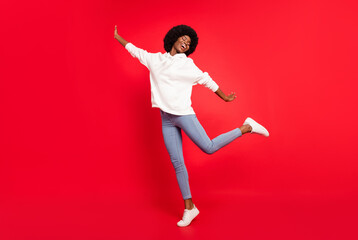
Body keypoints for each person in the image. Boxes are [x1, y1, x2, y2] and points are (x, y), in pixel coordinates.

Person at [114, 24, 269, 227]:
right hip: (166, 119)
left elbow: (206, 79)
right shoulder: (156, 60)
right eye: (183, 39)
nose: (185, 43)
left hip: (183, 115)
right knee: (177, 163)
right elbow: (135, 51)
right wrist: (117, 36)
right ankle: (190, 208)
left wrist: (224, 98)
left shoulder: (187, 65)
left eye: (189, 42)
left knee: (209, 147)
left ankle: (246, 127)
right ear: (174, 38)